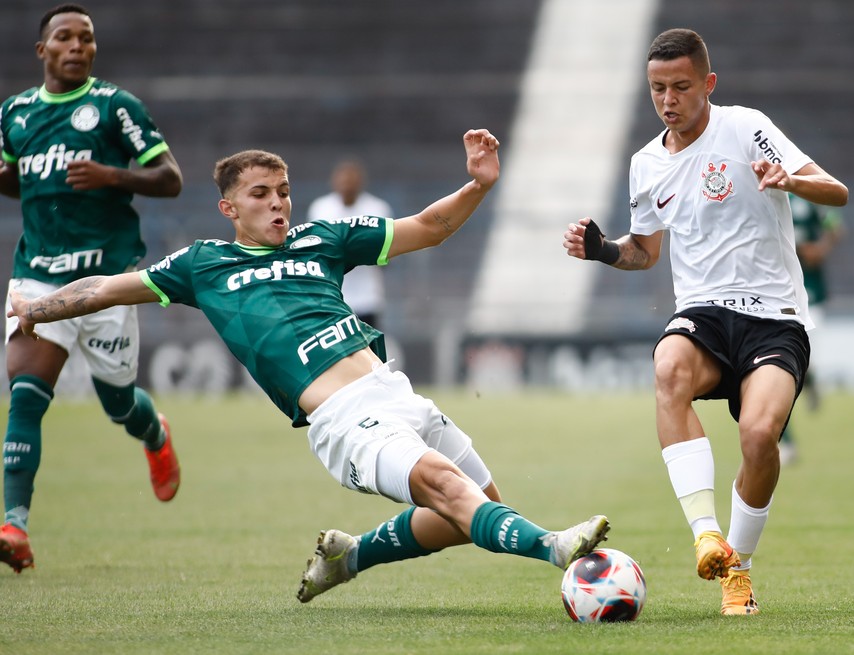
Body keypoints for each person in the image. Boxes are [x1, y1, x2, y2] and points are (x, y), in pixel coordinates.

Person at [7, 130, 611, 602]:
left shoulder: (322, 239)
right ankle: (555, 547)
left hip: (392, 389)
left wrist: (476, 186)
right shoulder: (201, 264)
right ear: (228, 207)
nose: (278, 204)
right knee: (451, 491)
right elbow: (107, 288)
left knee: (469, 509)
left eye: (284, 191)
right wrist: (39, 307)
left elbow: (427, 228)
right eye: (261, 195)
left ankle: (349, 559)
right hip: (342, 418)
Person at [563, 29, 848, 615]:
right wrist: (602, 250)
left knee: (760, 436)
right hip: (703, 313)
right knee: (667, 367)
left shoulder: (745, 127)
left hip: (775, 317)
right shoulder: (645, 164)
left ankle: (737, 569)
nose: (669, 99)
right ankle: (705, 533)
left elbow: (836, 191)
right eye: (658, 89)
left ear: (708, 84)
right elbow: (645, 251)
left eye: (681, 87)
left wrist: (790, 180)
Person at [0, 4, 183, 574]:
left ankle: (153, 434)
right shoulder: (15, 113)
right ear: (43, 51)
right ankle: (15, 526)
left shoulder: (114, 106)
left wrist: (113, 176)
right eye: (64, 37)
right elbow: (14, 177)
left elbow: (170, 178)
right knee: (26, 394)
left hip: (106, 282)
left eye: (87, 38)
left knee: (118, 403)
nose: (77, 46)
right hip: (38, 276)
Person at [778, 196, 845, 465]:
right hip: (773, 297)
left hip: (810, 294)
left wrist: (822, 247)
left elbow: (836, 226)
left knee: (804, 364)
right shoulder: (754, 192)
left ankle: (812, 381)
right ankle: (787, 443)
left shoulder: (807, 197)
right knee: (781, 371)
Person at [307, 160, 393, 328]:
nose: (347, 187)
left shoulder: (377, 209)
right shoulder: (320, 208)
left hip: (368, 297)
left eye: (351, 182)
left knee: (369, 349)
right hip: (333, 297)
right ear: (334, 182)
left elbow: (387, 252)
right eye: (343, 182)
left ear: (360, 183)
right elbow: (316, 250)